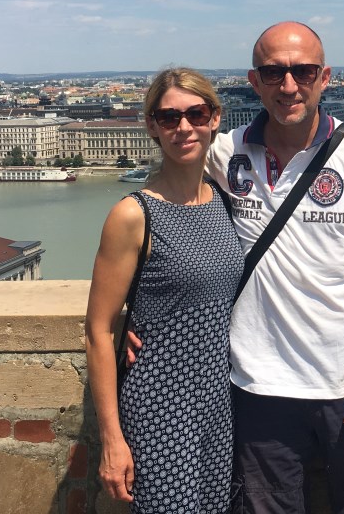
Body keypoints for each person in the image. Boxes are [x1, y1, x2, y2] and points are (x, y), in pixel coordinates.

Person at [211, 21, 344, 513]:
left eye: (303, 71)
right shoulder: (225, 152)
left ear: (325, 77)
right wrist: (140, 310)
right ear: (254, 80)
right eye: (274, 72)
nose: (289, 86)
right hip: (257, 387)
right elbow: (162, 212)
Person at [85, 68, 244, 512]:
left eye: (196, 113)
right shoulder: (133, 215)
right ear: (153, 126)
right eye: (169, 117)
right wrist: (112, 440)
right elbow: (97, 331)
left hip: (216, 404)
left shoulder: (222, 200)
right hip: (159, 408)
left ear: (214, 119)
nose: (184, 127)